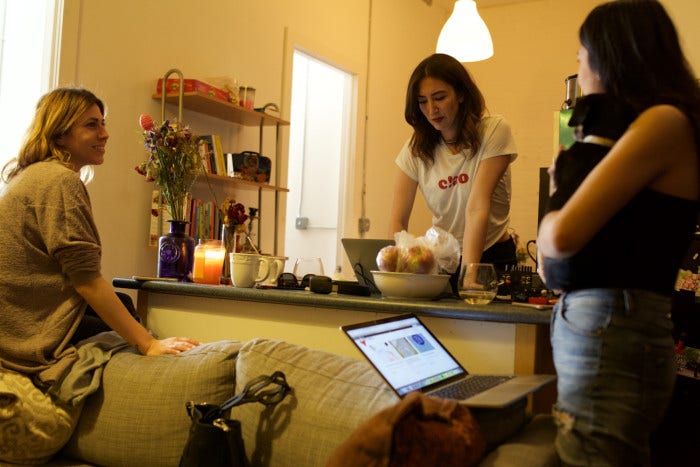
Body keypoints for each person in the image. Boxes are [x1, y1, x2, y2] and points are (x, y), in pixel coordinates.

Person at [537, 1, 700, 466]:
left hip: (614, 328)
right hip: (609, 326)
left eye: (581, 55)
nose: (579, 68)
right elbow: (555, 268)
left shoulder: (664, 121)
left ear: (609, 55)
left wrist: (556, 199)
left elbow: (561, 237)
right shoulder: (659, 125)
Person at [0, 87, 201, 462]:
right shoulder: (59, 182)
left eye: (103, 123)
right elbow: (88, 282)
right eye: (91, 125)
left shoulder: (29, 176)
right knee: (129, 322)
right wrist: (148, 345)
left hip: (17, 320)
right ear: (61, 133)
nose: (105, 134)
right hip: (26, 331)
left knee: (122, 304)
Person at [388, 53, 518, 293]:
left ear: (460, 94)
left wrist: (470, 273)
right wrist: (402, 263)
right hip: (444, 258)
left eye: (439, 97)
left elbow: (477, 207)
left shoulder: (494, 130)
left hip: (492, 257)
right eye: (422, 101)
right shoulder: (415, 149)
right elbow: (398, 221)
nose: (432, 109)